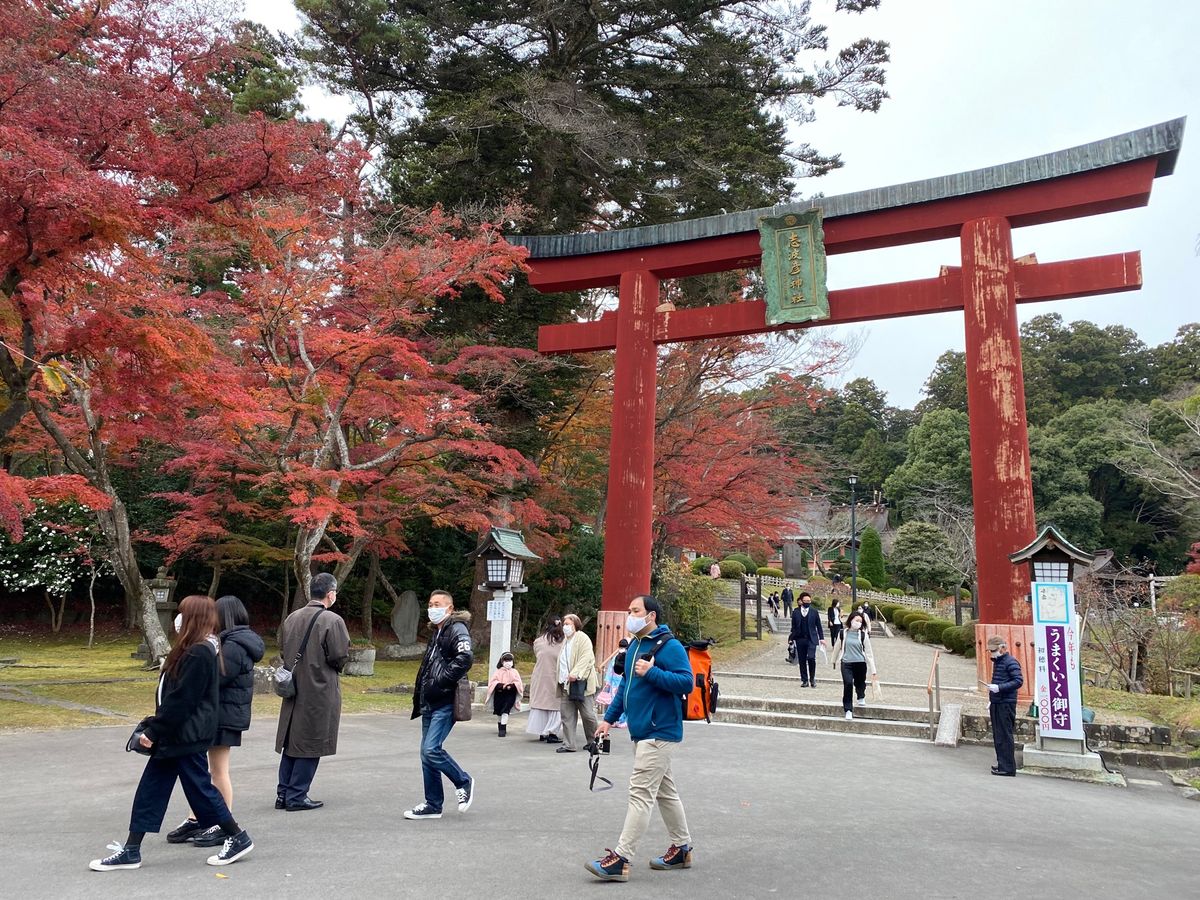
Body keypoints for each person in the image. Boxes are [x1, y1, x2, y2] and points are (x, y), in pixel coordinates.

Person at [89, 595, 254, 871]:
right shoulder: (194, 648)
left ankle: (238, 837)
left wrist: (154, 730)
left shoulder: (201, 651)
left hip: (185, 734)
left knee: (200, 790)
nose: (178, 618)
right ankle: (131, 849)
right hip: (177, 734)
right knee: (152, 790)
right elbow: (174, 696)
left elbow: (183, 700)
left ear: (194, 617)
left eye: (183, 612)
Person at [586, 595, 694, 883]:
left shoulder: (669, 646)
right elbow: (625, 687)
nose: (629, 615)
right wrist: (609, 719)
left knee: (640, 793)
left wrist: (653, 671)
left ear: (651, 616)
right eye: (629, 610)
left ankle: (621, 859)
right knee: (665, 791)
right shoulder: (635, 645)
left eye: (635, 611)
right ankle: (682, 849)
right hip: (643, 730)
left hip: (659, 731)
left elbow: (687, 682)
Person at [167, 595, 264, 847]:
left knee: (217, 771)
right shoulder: (233, 642)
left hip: (223, 716)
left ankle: (223, 822)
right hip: (221, 714)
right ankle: (197, 817)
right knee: (205, 771)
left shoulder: (233, 646)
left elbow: (214, 678)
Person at [274, 572, 350, 812]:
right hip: (319, 687)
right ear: (330, 593)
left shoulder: (291, 618)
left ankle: (283, 793)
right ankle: (297, 795)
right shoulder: (332, 620)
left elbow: (284, 651)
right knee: (311, 740)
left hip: (293, 686)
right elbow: (339, 656)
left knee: (291, 740)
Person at [405, 590, 475, 819]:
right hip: (430, 700)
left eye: (437, 604)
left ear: (449, 608)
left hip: (445, 699)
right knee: (426, 755)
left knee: (431, 749)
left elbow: (465, 658)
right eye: (430, 603)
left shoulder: (456, 628)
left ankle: (463, 781)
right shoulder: (437, 632)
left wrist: (441, 681)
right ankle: (432, 804)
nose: (432, 608)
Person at [557, 613, 599, 753]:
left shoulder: (582, 638)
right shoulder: (565, 641)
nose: (565, 627)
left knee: (587, 714)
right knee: (567, 714)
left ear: (576, 624)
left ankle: (594, 741)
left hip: (582, 683)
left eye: (568, 624)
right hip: (566, 683)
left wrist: (576, 672)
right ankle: (569, 744)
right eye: (564, 624)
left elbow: (586, 657)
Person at [986, 635, 1024, 777]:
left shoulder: (1011, 662)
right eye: (990, 650)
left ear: (1002, 648)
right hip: (997, 701)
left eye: (994, 650)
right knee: (998, 735)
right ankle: (1002, 764)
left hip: (1006, 703)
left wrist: (999, 687)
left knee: (1005, 736)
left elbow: (1018, 681)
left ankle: (1008, 767)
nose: (992, 653)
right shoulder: (998, 662)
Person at [526, 615, 565, 743]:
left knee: (540, 704)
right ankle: (551, 732)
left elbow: (537, 654)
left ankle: (541, 732)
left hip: (540, 675)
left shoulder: (538, 641)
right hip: (556, 675)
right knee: (555, 706)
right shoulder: (563, 642)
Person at [830, 610, 876, 719]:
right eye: (857, 620)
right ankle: (848, 709)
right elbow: (837, 648)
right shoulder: (842, 633)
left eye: (860, 621)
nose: (858, 623)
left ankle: (861, 695)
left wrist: (873, 670)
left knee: (860, 682)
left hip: (860, 662)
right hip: (846, 662)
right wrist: (834, 661)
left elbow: (869, 653)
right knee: (848, 683)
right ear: (851, 620)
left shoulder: (863, 635)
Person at [788, 592, 826, 688]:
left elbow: (819, 626)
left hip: (811, 638)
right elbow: (793, 627)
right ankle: (804, 680)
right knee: (802, 660)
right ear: (801, 601)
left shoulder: (814, 611)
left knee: (811, 658)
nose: (807, 602)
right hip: (800, 639)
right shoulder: (796, 612)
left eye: (809, 601)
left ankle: (812, 678)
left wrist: (822, 638)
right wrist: (791, 638)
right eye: (805, 601)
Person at [486, 651, 524, 737]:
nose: (508, 663)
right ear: (502, 662)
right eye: (506, 661)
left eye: (510, 661)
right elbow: (493, 683)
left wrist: (511, 686)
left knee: (505, 711)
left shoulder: (515, 672)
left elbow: (518, 683)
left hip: (510, 695)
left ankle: (502, 729)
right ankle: (500, 726)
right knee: (499, 711)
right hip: (499, 695)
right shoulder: (498, 672)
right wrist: (501, 686)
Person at [596, 638, 629, 729]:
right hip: (615, 681)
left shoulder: (627, 656)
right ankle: (615, 720)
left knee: (622, 701)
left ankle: (623, 720)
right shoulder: (616, 657)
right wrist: (608, 681)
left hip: (622, 681)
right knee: (614, 701)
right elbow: (611, 669)